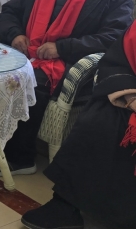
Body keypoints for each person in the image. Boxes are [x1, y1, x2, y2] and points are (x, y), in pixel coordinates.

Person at [0, 0, 134, 176]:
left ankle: (21, 157)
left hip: (72, 62)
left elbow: (115, 37)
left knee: (30, 81)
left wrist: (63, 48)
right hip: (29, 51)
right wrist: (16, 34)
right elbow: (9, 12)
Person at [20, 24, 136, 229]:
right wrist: (130, 96)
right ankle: (66, 204)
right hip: (130, 98)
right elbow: (118, 61)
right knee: (100, 119)